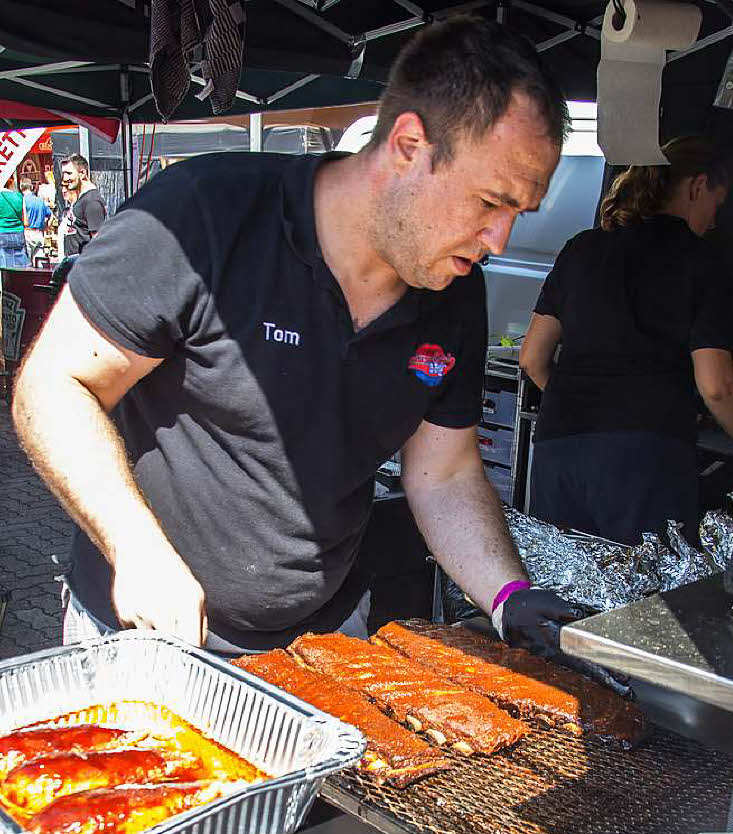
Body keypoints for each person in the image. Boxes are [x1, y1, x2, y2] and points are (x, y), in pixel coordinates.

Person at [13, 17, 589, 664]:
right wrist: (135, 546)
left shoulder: (452, 298)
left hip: (318, 650)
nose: (499, 242)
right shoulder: (203, 217)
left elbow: (444, 473)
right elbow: (55, 385)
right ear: (407, 146)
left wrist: (507, 595)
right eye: (490, 202)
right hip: (146, 633)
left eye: (519, 213)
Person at [520, 135, 733, 547]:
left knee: (562, 588)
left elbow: (532, 358)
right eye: (715, 205)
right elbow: (716, 385)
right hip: (642, 452)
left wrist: (583, 402)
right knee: (644, 600)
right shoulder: (698, 258)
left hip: (559, 445)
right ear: (697, 186)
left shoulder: (582, 248)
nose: (714, 221)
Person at [60, 154, 107, 256]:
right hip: (73, 266)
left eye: (69, 173)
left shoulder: (92, 201)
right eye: (63, 173)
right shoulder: (82, 198)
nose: (65, 178)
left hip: (84, 266)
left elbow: (98, 242)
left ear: (82, 173)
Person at [20, 178, 52, 264]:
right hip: (39, 234)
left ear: (21, 187)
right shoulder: (40, 200)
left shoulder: (22, 201)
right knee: (39, 264)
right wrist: (46, 227)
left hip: (27, 233)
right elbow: (50, 215)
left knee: (27, 264)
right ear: (31, 187)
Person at [0, 177, 29, 269]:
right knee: (21, 267)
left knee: (4, 268)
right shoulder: (19, 196)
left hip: (2, 232)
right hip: (18, 233)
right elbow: (26, 222)